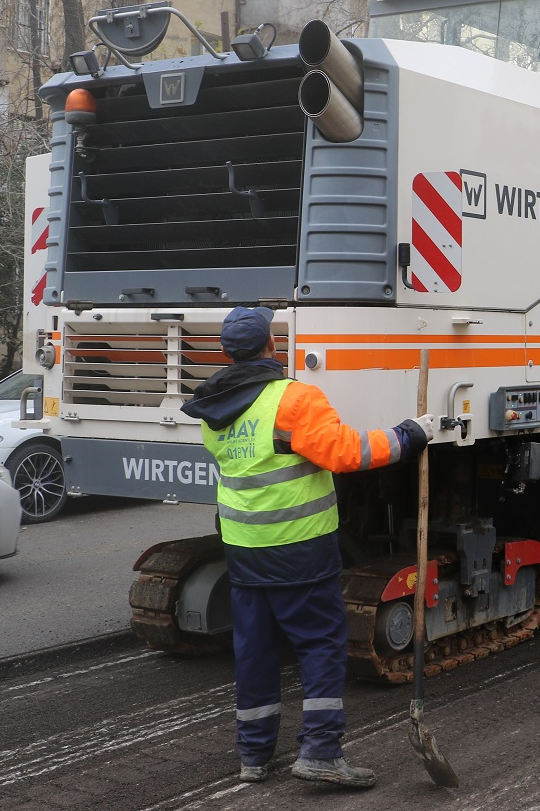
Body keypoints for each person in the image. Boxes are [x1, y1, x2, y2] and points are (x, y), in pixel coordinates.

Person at [182, 306, 436, 788]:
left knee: (255, 651)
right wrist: (410, 435)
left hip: (243, 551)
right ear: (272, 346)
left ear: (225, 352)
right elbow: (346, 452)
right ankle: (320, 751)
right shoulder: (294, 398)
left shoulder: (210, 411)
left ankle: (254, 756)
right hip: (299, 549)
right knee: (321, 644)